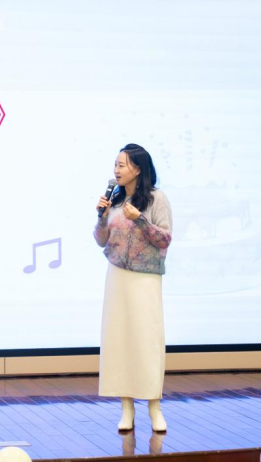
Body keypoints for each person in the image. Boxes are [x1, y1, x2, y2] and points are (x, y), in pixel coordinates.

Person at [93, 143, 173, 432]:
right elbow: (101, 240)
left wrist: (139, 219)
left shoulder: (156, 199)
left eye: (122, 165)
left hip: (145, 278)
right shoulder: (114, 200)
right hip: (117, 276)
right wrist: (102, 216)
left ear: (138, 169)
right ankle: (126, 407)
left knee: (146, 339)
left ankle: (154, 407)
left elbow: (164, 239)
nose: (116, 170)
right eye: (115, 164)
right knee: (120, 339)